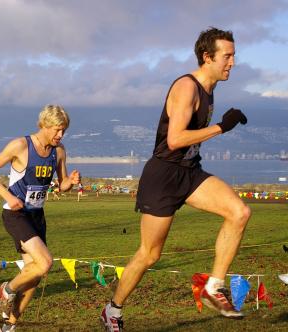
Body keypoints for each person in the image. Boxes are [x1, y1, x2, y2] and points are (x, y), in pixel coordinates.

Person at [100, 27, 251, 331]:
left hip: (189, 171)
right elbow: (174, 139)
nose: (233, 62)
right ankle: (112, 310)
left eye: (234, 55)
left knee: (239, 212)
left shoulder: (210, 89)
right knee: (150, 255)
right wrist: (222, 127)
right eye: (227, 56)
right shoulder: (187, 87)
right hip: (163, 176)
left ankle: (214, 287)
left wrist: (219, 128)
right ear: (207, 57)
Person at [0, 105, 80, 332]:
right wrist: (7, 195)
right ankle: (7, 289)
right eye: (57, 130)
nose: (60, 135)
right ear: (44, 125)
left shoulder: (59, 151)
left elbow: (62, 185)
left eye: (64, 131)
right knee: (45, 263)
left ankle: (10, 326)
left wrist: (71, 182)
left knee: (35, 276)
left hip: (37, 215)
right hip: (15, 214)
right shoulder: (20, 146)